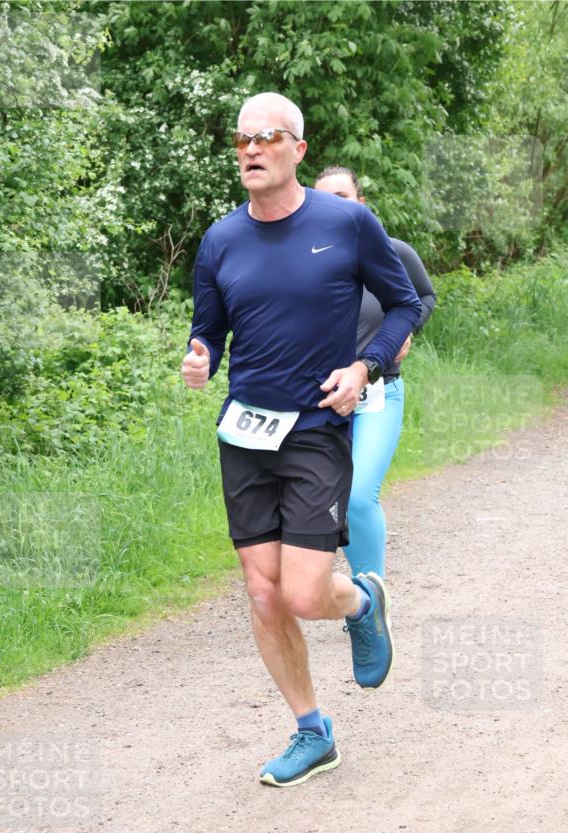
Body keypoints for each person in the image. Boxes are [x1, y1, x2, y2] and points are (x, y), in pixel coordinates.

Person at [181, 93, 421, 787]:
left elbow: (405, 302)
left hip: (317, 427)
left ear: (298, 150)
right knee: (262, 592)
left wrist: (363, 365)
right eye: (242, 140)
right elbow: (209, 328)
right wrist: (199, 355)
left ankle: (363, 602)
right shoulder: (221, 239)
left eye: (267, 137)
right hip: (245, 431)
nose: (251, 149)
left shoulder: (347, 223)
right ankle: (311, 730)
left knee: (306, 594)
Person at [314, 166, 437, 579]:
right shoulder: (304, 258)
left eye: (342, 197)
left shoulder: (392, 251)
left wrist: (407, 330)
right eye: (323, 198)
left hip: (378, 394)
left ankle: (370, 601)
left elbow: (423, 296)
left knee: (359, 497)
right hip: (319, 398)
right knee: (319, 503)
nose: (332, 206)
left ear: (360, 204)